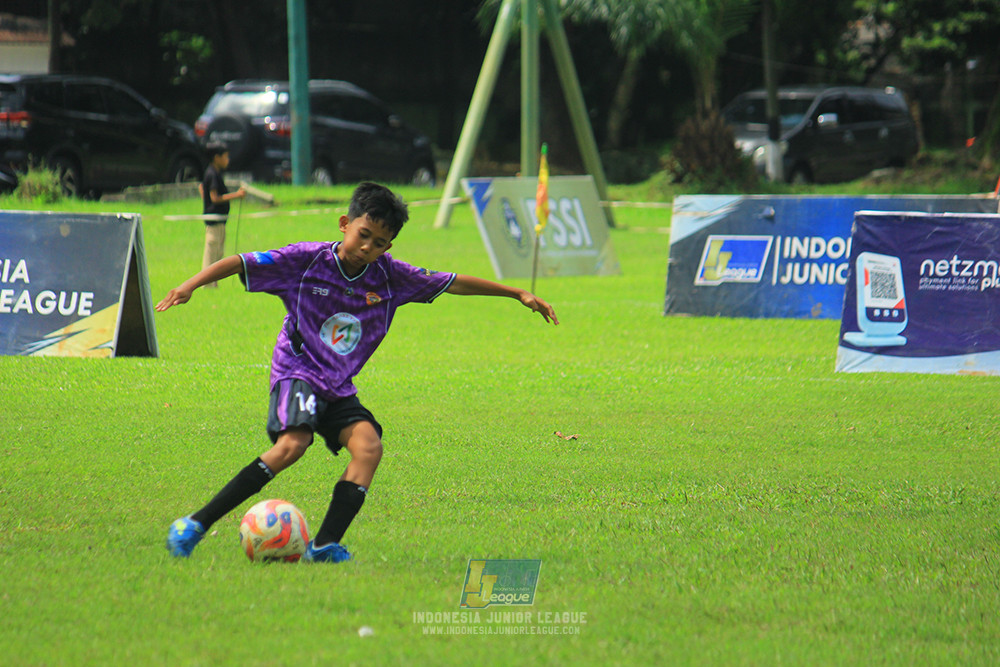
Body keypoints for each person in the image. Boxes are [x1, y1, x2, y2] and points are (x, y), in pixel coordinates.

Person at [157, 181, 558, 563]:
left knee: (368, 449)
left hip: (337, 385)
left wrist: (516, 293)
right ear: (345, 224)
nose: (367, 247)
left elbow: (451, 282)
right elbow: (239, 261)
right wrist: (189, 285)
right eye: (362, 234)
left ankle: (325, 545)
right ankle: (195, 524)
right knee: (292, 446)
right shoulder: (306, 260)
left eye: (379, 243)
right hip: (297, 371)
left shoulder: (391, 276)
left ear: (389, 246)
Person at [199, 141, 247, 287]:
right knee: (212, 251)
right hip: (214, 220)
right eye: (225, 156)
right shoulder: (212, 173)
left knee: (218, 252)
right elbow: (214, 197)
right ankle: (207, 284)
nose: (228, 160)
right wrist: (236, 195)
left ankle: (213, 283)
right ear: (216, 157)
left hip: (220, 220)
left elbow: (202, 187)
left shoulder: (214, 173)